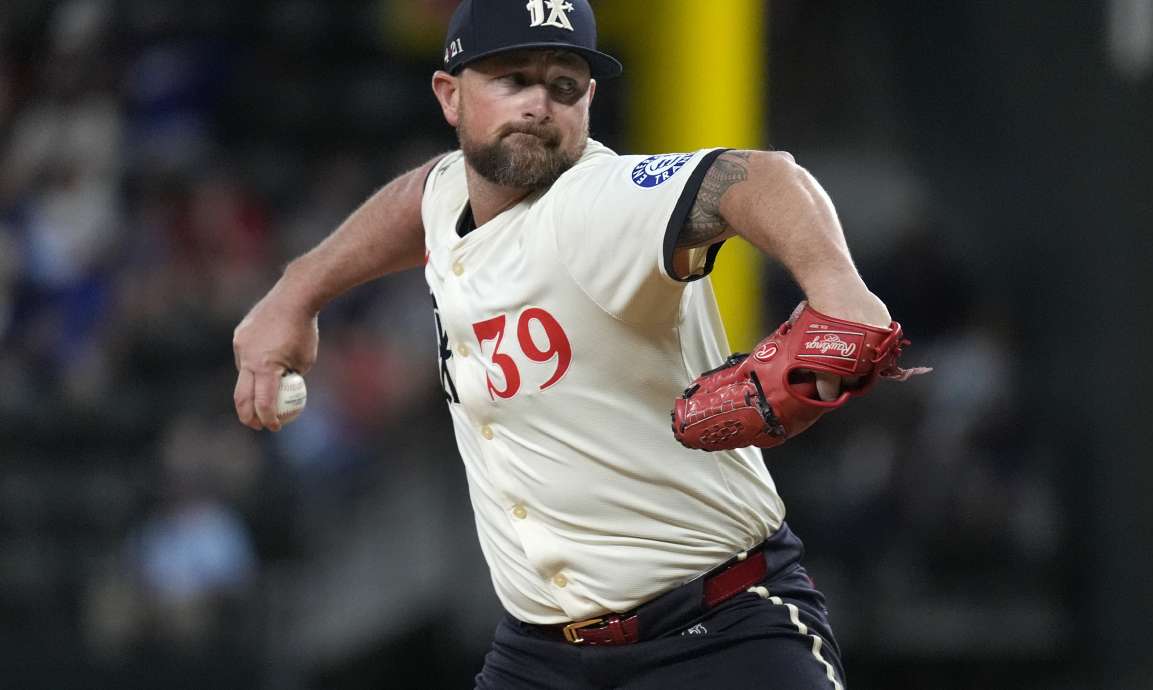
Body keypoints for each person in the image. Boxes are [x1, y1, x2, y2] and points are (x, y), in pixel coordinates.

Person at [234, 1, 915, 687]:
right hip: (541, 657)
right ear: (450, 95)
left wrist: (839, 291)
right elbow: (422, 198)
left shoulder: (596, 205)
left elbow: (759, 177)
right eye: (513, 78)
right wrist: (295, 294)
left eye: (563, 86)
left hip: (718, 637)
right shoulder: (452, 197)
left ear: (588, 100)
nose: (538, 103)